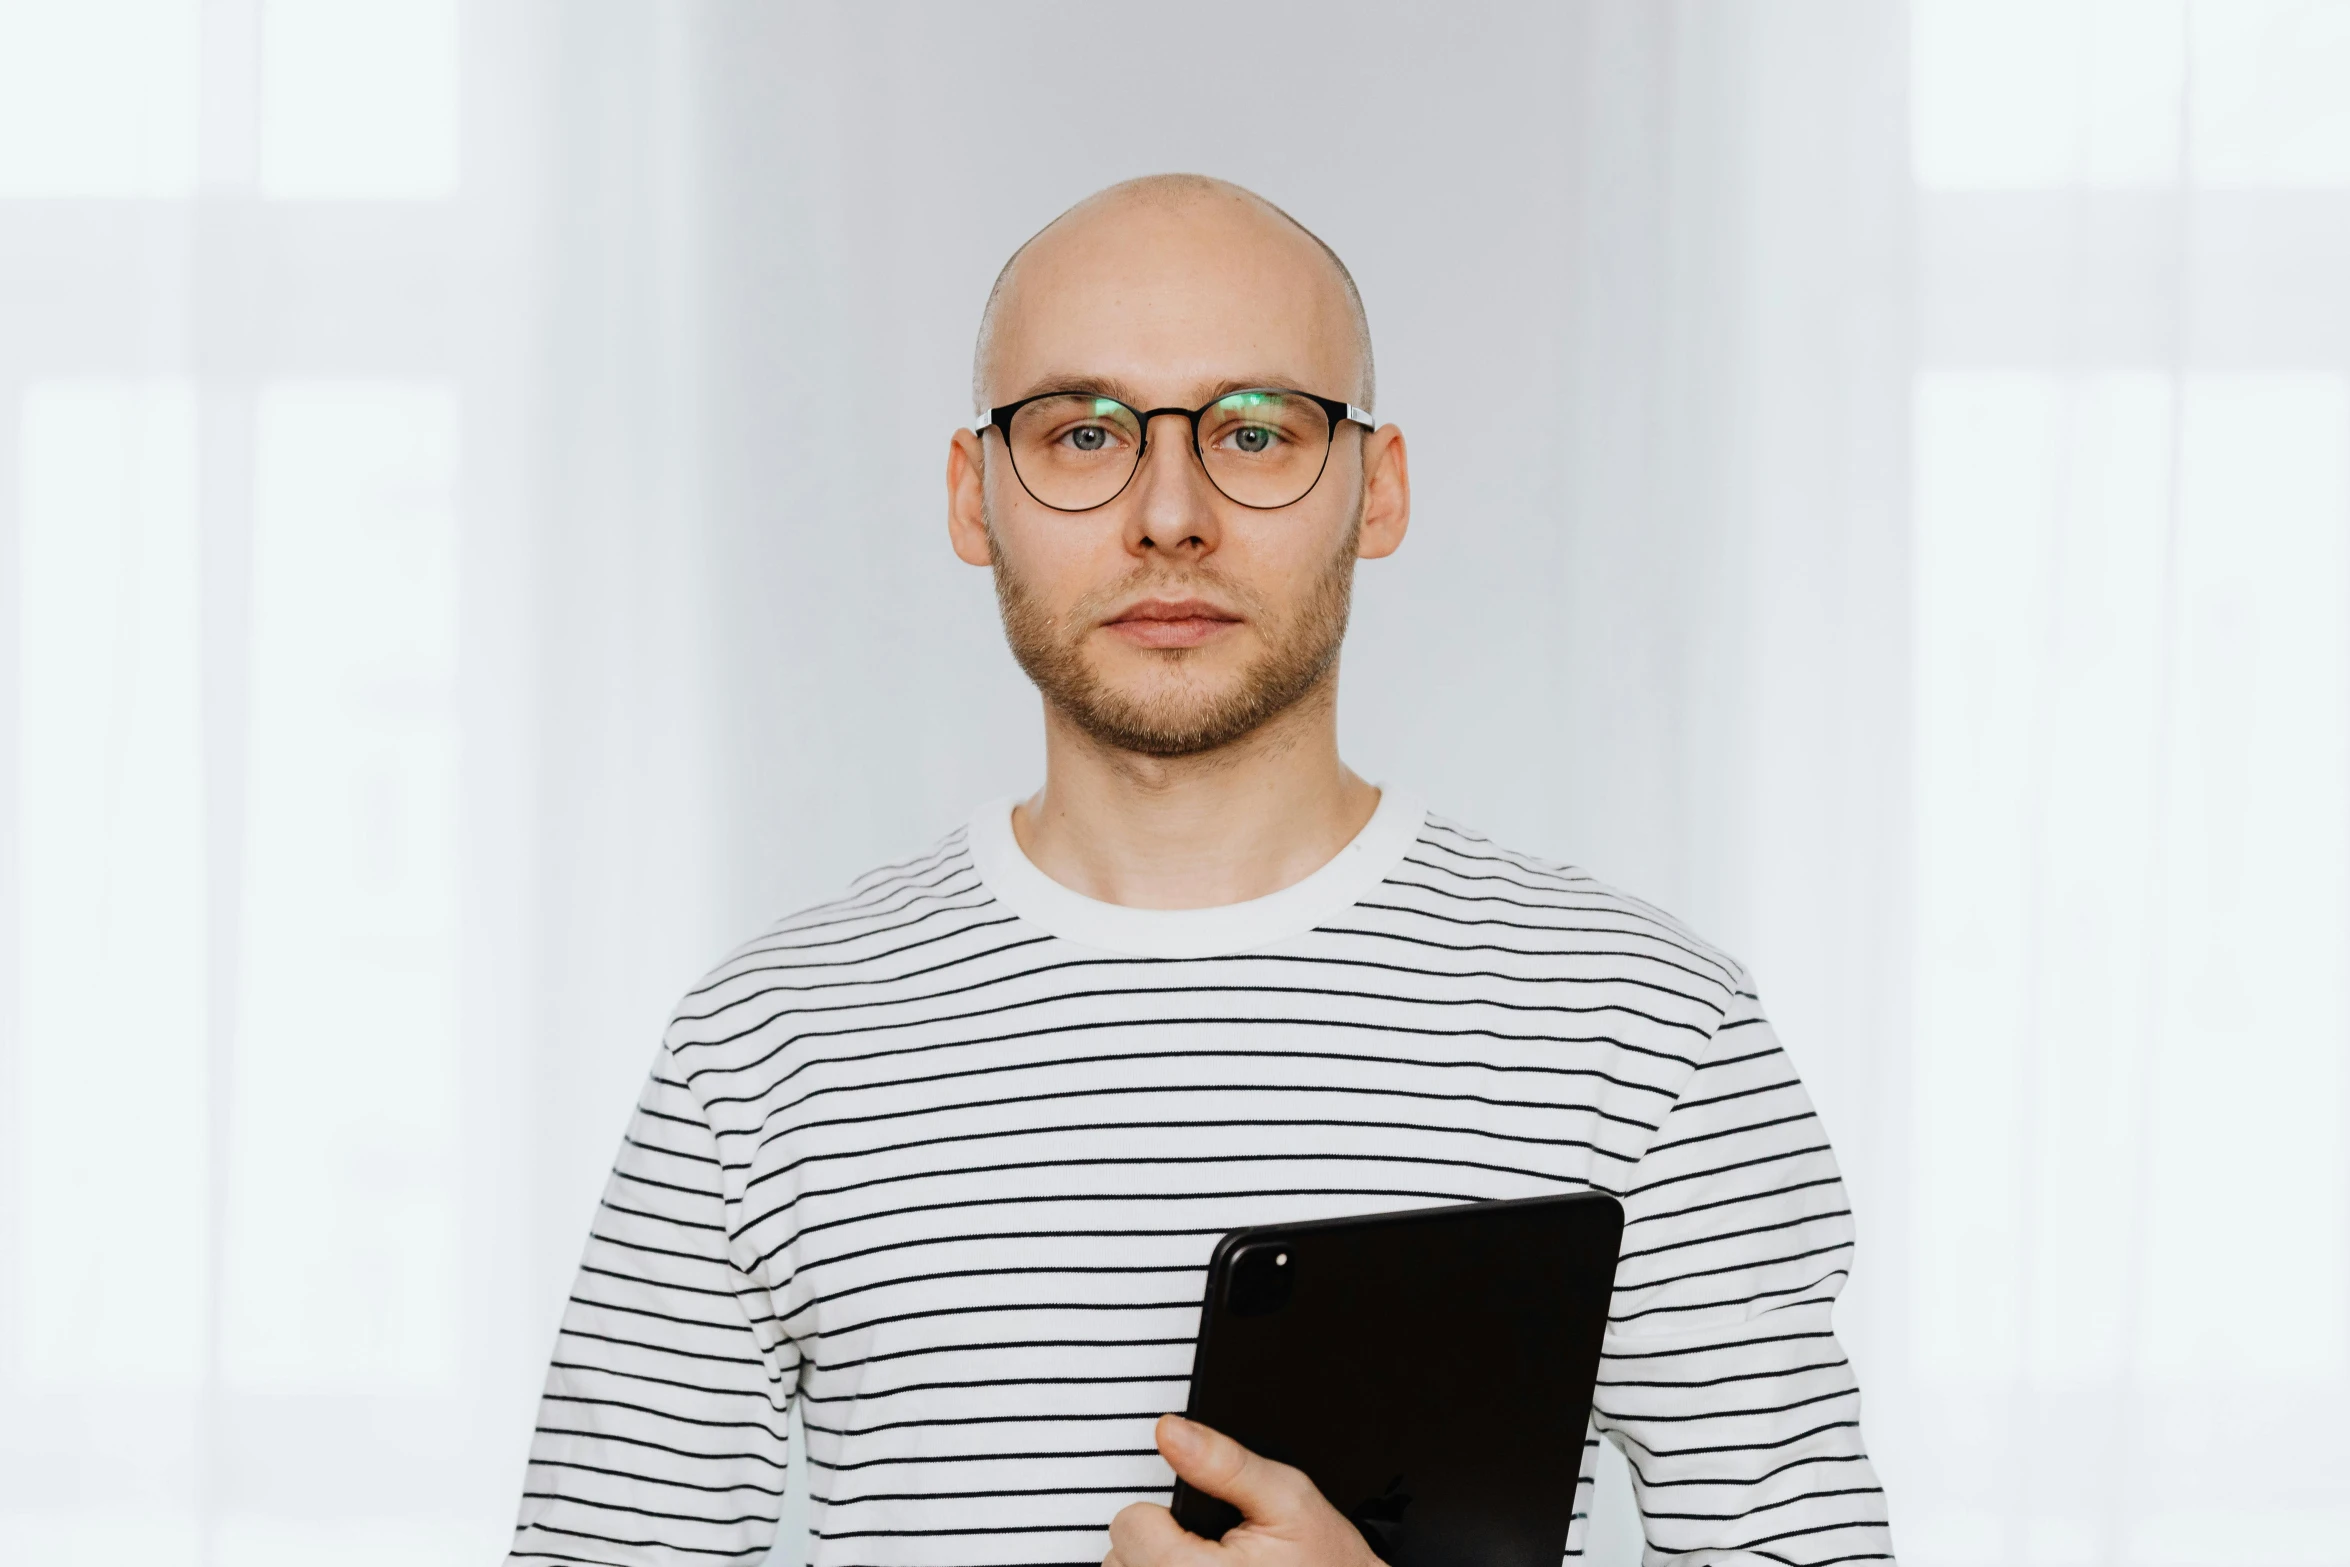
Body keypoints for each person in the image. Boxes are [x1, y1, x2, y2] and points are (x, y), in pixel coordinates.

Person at [507, 174, 1895, 1567]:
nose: (1169, 513)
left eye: (1254, 430)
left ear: (1379, 485)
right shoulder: (764, 1045)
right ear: (972, 494)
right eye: (1080, 431)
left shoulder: (1649, 1028)